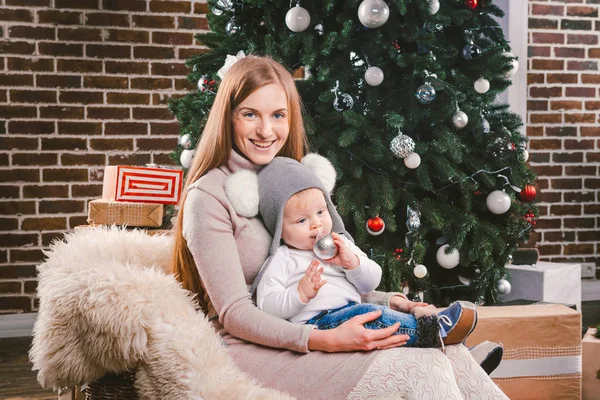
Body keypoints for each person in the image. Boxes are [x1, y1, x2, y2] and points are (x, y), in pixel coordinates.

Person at [172, 55, 509, 399]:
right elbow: (235, 314)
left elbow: (328, 282)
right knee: (423, 366)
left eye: (278, 115)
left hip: (315, 325)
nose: (265, 131)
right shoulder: (210, 195)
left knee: (449, 352)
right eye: (249, 114)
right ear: (228, 117)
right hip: (254, 350)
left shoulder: (293, 179)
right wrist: (325, 340)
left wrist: (394, 301)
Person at [225, 155, 477, 350]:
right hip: (320, 324)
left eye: (321, 212)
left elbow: (370, 283)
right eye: (301, 221)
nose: (316, 224)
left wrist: (352, 263)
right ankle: (437, 330)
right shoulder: (284, 259)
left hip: (353, 311)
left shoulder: (340, 245)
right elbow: (267, 307)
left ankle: (454, 345)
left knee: (382, 314)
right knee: (372, 315)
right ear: (279, 228)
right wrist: (299, 294)